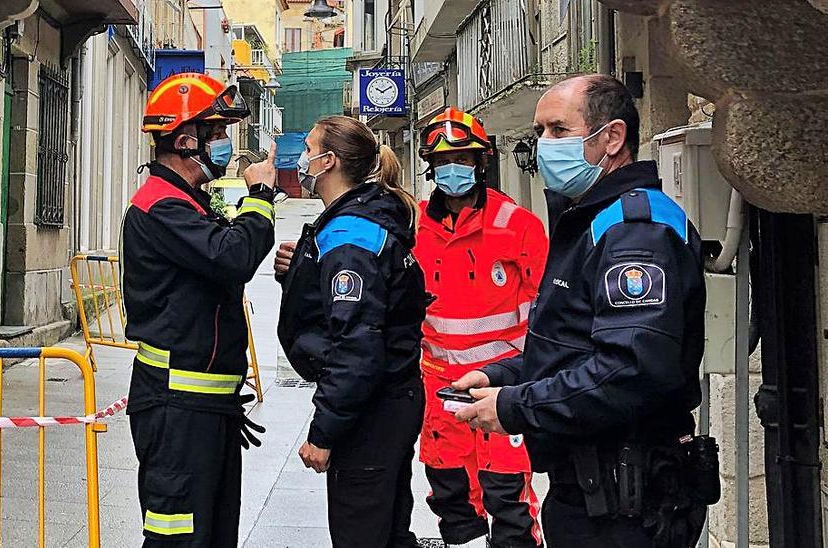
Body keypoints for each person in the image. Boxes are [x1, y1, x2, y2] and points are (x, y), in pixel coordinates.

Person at [452, 75, 719, 547]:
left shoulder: (636, 232)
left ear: (612, 137)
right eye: (539, 133)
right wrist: (505, 376)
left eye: (558, 130)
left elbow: (630, 369)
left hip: (626, 502)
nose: (544, 146)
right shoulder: (594, 218)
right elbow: (577, 342)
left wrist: (518, 407)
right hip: (591, 489)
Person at [122, 72, 278, 547]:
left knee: (211, 533)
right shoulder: (161, 206)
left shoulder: (186, 202)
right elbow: (233, 258)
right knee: (180, 537)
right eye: (217, 133)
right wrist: (261, 198)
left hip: (205, 407)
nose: (226, 144)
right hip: (177, 410)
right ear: (186, 139)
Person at [273, 115, 427, 547]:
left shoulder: (350, 237)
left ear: (329, 162)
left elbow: (356, 345)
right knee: (388, 528)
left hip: (372, 410)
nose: (301, 159)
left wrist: (323, 432)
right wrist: (301, 272)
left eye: (308, 149)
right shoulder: (356, 220)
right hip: (389, 400)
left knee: (360, 531)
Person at [412, 107, 548, 548]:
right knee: (451, 498)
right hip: (440, 390)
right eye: (445, 161)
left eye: (465, 159)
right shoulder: (414, 225)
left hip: (501, 388)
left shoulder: (517, 226)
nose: (454, 169)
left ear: (482, 161)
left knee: (507, 498)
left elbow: (547, 313)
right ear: (431, 168)